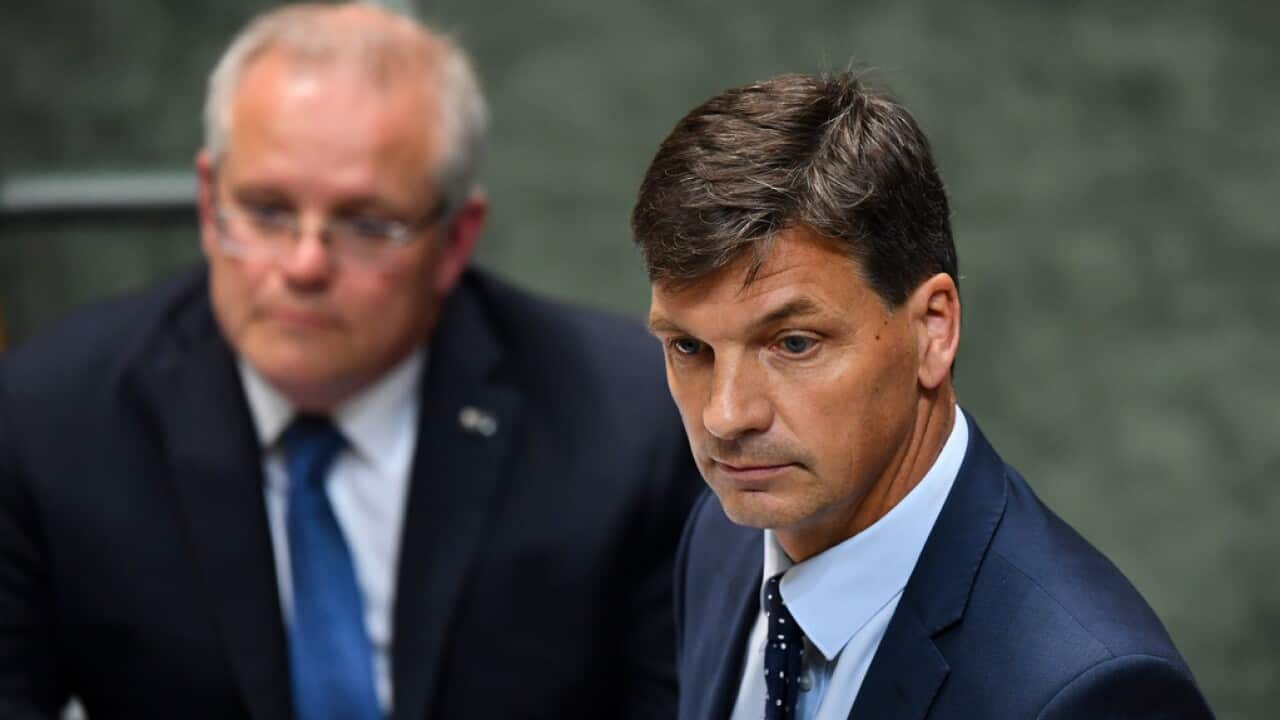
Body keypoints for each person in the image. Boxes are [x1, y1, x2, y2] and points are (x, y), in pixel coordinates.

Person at [0, 4, 699, 719]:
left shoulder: (623, 426)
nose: (303, 265)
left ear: (455, 240)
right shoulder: (52, 416)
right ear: (210, 205)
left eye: (366, 224)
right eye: (267, 210)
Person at [630, 72, 1214, 719]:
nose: (725, 416)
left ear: (933, 329)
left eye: (793, 343)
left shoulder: (1091, 692)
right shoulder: (721, 537)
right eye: (689, 348)